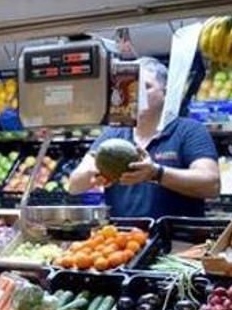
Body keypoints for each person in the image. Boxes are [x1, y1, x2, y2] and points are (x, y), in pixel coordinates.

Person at [68, 57, 220, 218]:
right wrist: (93, 173)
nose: (136, 95)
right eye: (132, 87)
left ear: (165, 93)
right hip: (121, 239)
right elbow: (73, 186)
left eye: (146, 87)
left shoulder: (189, 130)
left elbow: (212, 185)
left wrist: (156, 173)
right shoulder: (112, 135)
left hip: (178, 240)